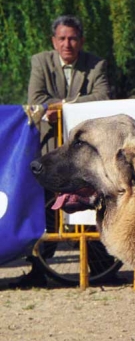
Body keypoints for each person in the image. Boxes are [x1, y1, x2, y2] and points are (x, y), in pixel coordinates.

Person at [14, 15, 112, 288]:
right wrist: (76, 106)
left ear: (80, 41)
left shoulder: (96, 64)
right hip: (49, 147)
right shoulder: (40, 62)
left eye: (72, 38)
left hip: (82, 154)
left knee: (91, 200)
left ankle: (101, 267)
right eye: (62, 38)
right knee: (43, 207)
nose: (67, 44)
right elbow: (36, 101)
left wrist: (64, 108)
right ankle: (38, 267)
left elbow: (103, 97)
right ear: (53, 41)